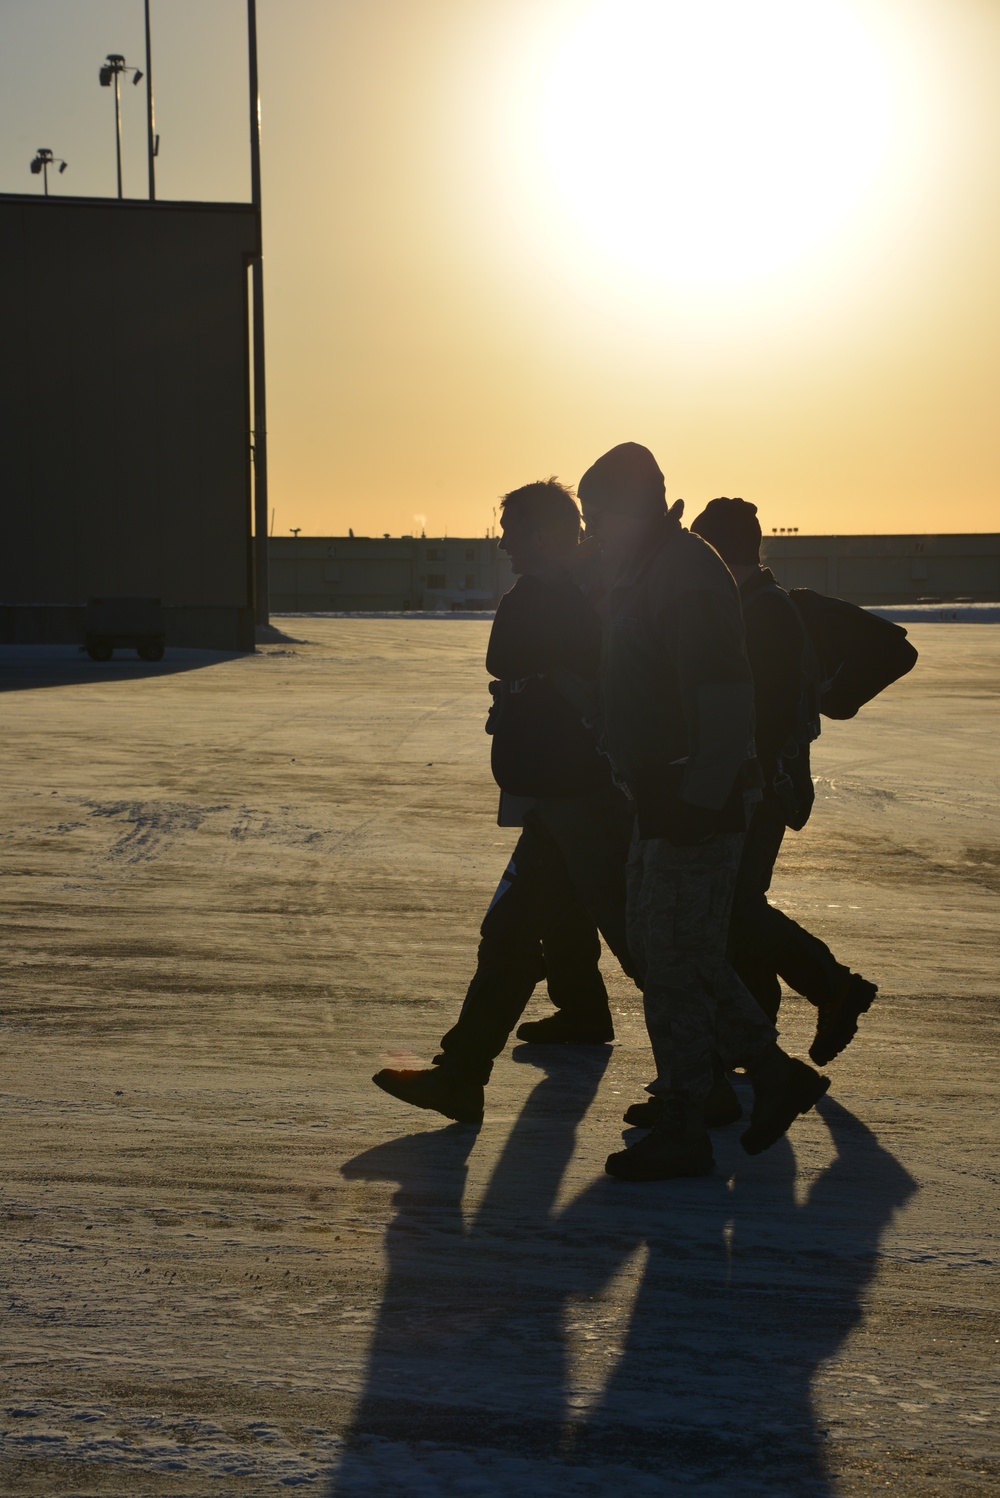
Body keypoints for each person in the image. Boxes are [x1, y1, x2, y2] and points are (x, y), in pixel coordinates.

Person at [577, 443, 830, 1181]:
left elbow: (723, 695)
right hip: (662, 794)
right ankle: (767, 1077)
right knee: (666, 952)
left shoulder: (684, 573)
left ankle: (690, 1117)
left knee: (677, 962)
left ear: (636, 508)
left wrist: (699, 796)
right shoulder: (646, 570)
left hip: (697, 799)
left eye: (599, 516)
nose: (592, 531)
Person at [372, 480, 635, 1126]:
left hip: (579, 799)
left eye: (515, 529)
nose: (506, 542)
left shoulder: (560, 597)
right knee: (518, 933)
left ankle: (747, 1064)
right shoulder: (576, 592)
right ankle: (462, 1075)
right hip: (564, 799)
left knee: (640, 940)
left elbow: (522, 660)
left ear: (547, 535)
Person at [688, 497, 878, 1059]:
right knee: (734, 906)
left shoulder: (761, 612)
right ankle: (756, 1026)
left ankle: (833, 987)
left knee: (735, 906)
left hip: (760, 786)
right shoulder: (747, 605)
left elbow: (764, 715)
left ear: (718, 551)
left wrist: (744, 781)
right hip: (754, 781)